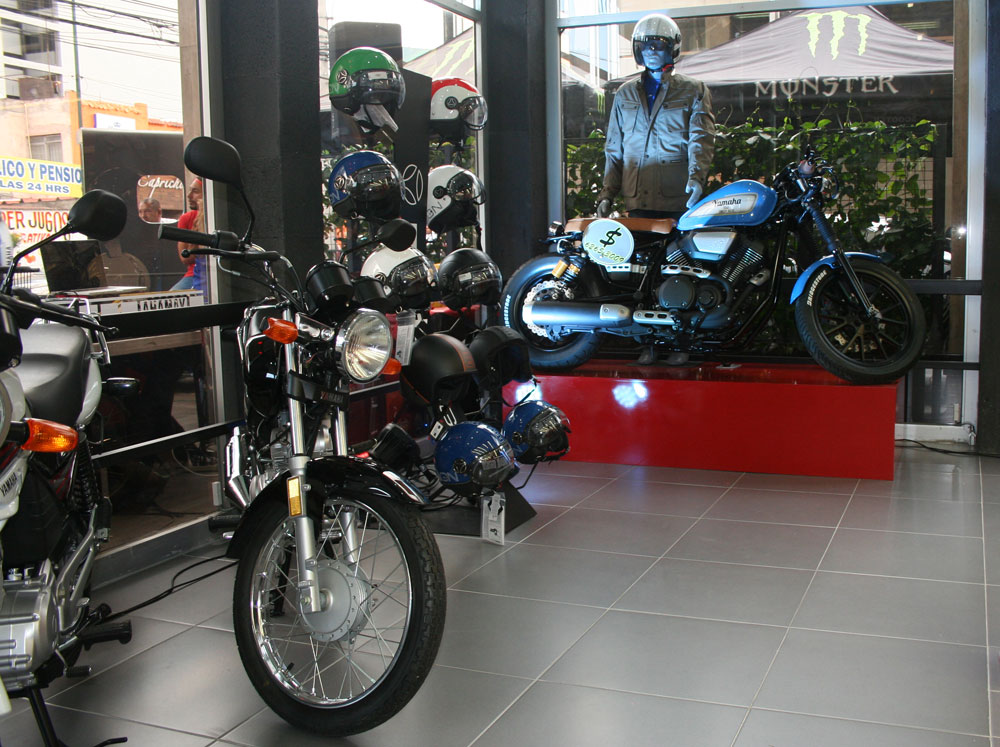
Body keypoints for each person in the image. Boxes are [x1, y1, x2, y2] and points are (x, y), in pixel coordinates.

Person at [597, 13, 715, 220]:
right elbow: (614, 149)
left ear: (672, 48)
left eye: (658, 45)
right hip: (637, 198)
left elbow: (701, 141)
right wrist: (607, 194)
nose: (651, 51)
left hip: (676, 197)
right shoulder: (625, 94)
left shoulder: (693, 90)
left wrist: (697, 178)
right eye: (645, 45)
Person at [170, 179, 202, 291]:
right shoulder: (187, 218)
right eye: (190, 191)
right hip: (194, 274)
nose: (189, 196)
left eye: (195, 191)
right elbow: (185, 258)